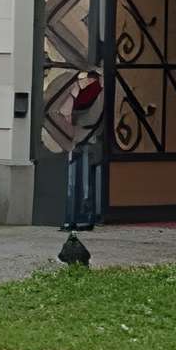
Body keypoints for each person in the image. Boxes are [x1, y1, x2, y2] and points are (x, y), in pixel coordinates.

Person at [61, 69, 106, 231]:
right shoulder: (97, 93)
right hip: (89, 140)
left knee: (78, 182)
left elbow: (71, 114)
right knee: (86, 182)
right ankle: (84, 218)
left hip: (82, 140)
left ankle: (77, 219)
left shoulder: (88, 92)